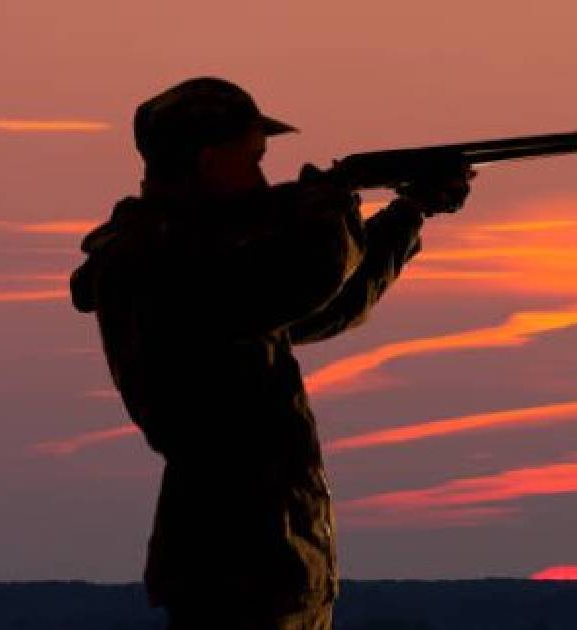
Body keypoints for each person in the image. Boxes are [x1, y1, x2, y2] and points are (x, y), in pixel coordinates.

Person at [69, 77, 473, 629]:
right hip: (234, 568)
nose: (264, 180)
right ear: (209, 160)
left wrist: (409, 212)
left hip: (272, 566)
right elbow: (301, 280)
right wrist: (330, 208)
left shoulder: (209, 254)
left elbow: (329, 304)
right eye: (253, 160)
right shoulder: (159, 258)